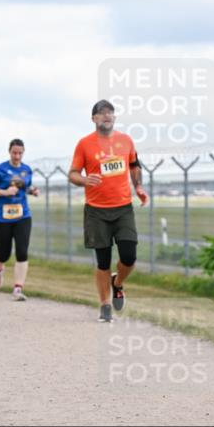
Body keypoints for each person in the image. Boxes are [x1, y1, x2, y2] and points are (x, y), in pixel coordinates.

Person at [68, 100, 148, 322]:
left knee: (129, 256)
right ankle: (104, 305)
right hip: (96, 210)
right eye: (102, 113)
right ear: (93, 118)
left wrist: (139, 186)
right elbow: (72, 173)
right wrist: (84, 180)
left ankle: (118, 283)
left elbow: (134, 164)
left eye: (110, 113)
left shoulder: (126, 140)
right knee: (103, 260)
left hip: (123, 208)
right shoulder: (84, 144)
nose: (107, 116)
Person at [0, 138, 39, 301]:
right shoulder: (0, 169)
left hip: (23, 215)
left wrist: (32, 191)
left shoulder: (26, 169)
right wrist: (4, 192)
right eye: (14, 153)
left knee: (22, 251)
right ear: (9, 152)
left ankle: (17, 289)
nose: (17, 156)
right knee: (4, 252)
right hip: (2, 217)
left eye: (20, 153)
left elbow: (25, 188)